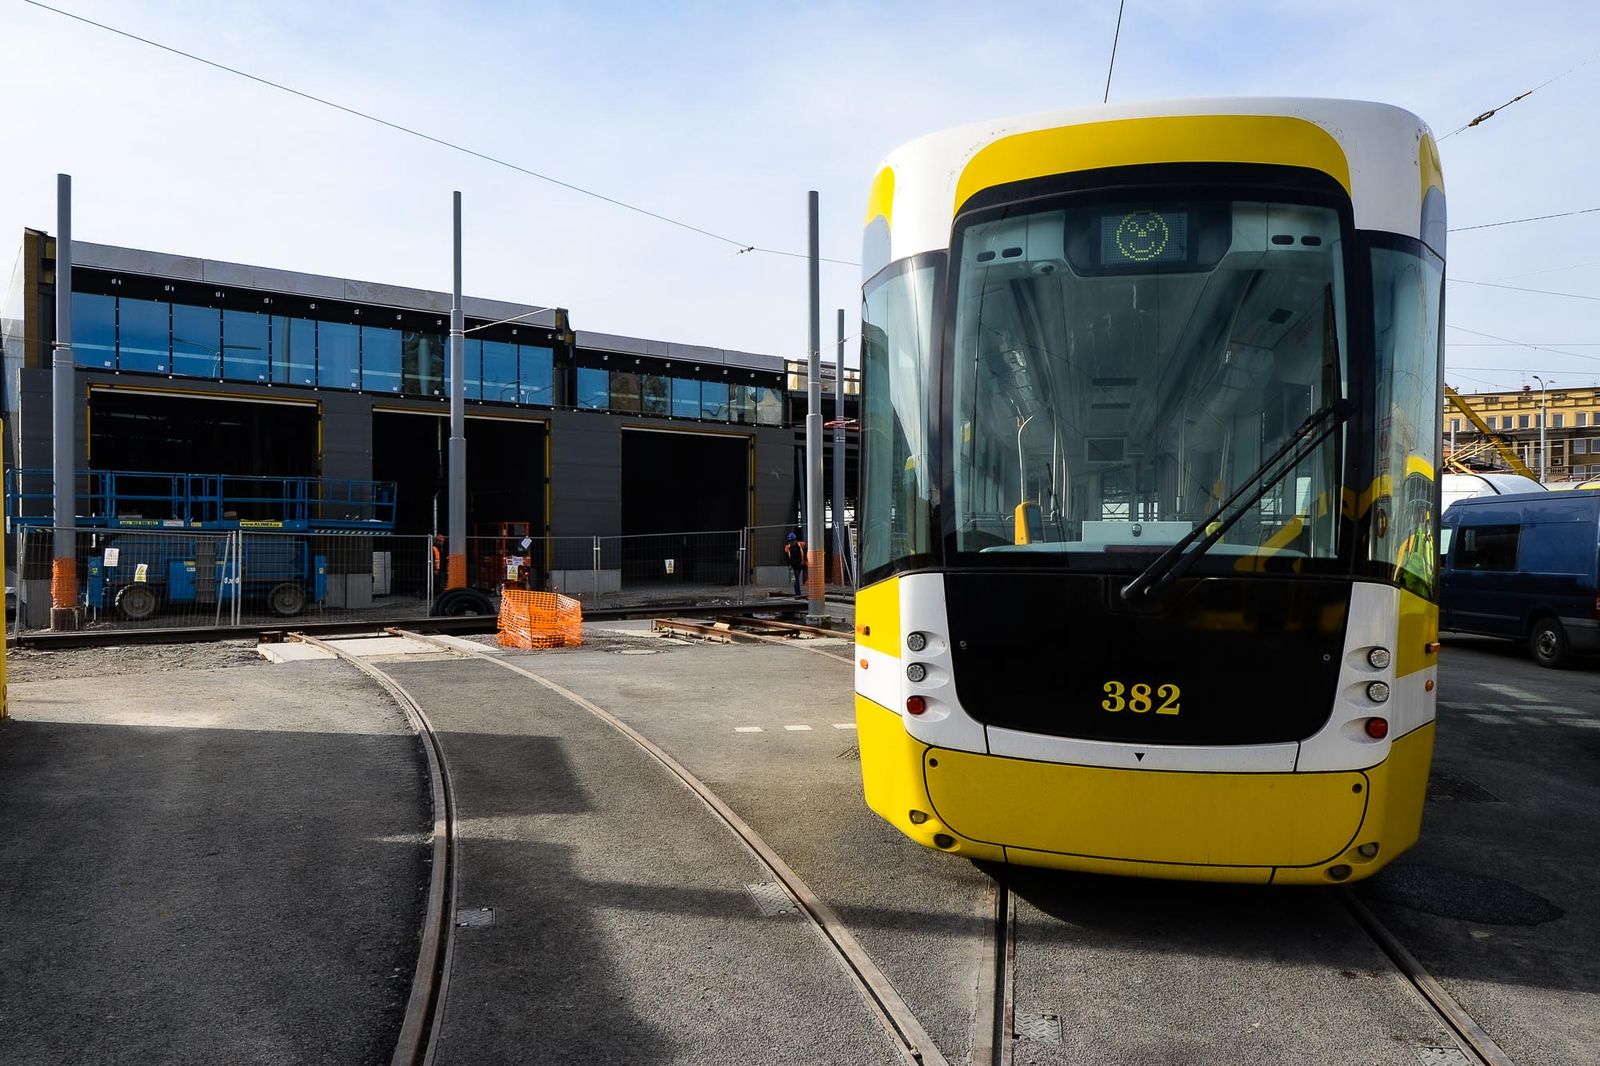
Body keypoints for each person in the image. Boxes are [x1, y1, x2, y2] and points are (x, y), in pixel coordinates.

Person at [784, 530, 808, 596]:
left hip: (801, 564)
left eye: (792, 541)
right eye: (790, 541)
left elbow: (806, 551)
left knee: (807, 577)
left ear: (795, 540)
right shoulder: (787, 548)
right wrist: (789, 565)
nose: (791, 542)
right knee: (795, 580)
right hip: (793, 566)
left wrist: (804, 560)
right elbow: (786, 558)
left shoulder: (801, 545)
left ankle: (811, 592)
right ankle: (798, 594)